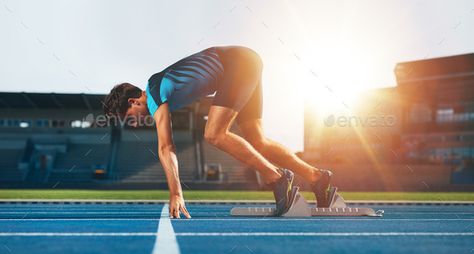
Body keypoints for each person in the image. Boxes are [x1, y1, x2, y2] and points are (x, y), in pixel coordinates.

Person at [103, 46, 332, 218]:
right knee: (257, 140)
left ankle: (278, 177)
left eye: (129, 119)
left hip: (236, 66)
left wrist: (176, 193)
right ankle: (316, 177)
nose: (133, 124)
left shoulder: (154, 95)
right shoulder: (160, 84)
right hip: (243, 63)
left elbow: (166, 147)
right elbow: (198, 84)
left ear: (133, 102)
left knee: (214, 133)